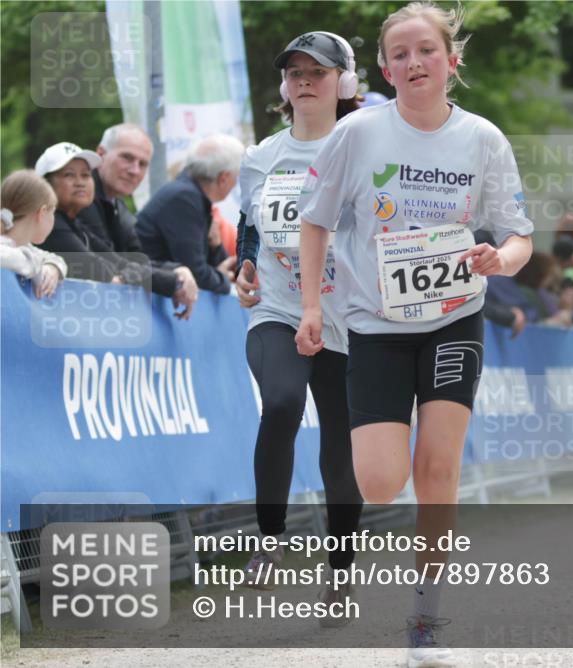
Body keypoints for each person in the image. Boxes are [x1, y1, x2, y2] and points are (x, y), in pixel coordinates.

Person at [293, 3, 533, 665]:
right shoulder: (358, 134)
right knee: (379, 481)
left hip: (455, 316)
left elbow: (518, 236)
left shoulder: (483, 138)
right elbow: (314, 221)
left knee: (438, 471)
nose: (414, 62)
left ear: (450, 61)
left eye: (426, 50)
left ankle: (426, 624)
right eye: (399, 53)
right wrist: (312, 308)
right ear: (382, 69)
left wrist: (499, 259)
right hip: (375, 325)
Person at [232, 31, 365, 623]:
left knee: (341, 454)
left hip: (348, 320)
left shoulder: (364, 148)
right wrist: (243, 263)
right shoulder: (260, 157)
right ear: (284, 86)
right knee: (281, 402)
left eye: (318, 71)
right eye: (294, 72)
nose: (305, 81)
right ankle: (269, 540)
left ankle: (340, 573)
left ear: (345, 82)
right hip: (280, 308)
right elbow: (250, 225)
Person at [80, 124, 198, 317]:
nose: (134, 170)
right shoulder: (81, 197)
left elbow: (137, 259)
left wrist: (178, 270)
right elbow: (110, 261)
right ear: (101, 154)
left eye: (142, 164)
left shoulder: (120, 207)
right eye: (127, 158)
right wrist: (172, 280)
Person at [136, 134, 242, 294]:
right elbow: (196, 275)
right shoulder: (185, 198)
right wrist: (222, 279)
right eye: (237, 176)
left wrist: (216, 247)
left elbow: (222, 267)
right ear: (224, 177)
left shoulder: (192, 195)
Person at [1, 170, 66, 297]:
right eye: (53, 213)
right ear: (42, 213)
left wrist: (53, 267)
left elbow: (56, 259)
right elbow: (10, 257)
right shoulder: (12, 249)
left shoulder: (25, 248)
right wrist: (34, 267)